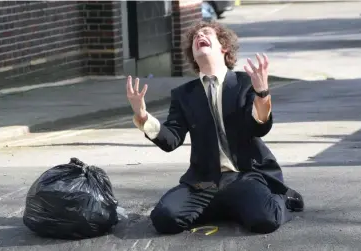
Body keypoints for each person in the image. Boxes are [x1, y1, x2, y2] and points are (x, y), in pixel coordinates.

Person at [126, 21, 304, 235]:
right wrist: (143, 117)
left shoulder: (245, 83)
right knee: (165, 218)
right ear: (193, 54)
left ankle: (281, 198)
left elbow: (259, 128)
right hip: (204, 182)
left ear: (224, 47)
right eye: (195, 37)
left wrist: (262, 94)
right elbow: (171, 140)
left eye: (206, 33)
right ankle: (232, 206)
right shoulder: (183, 94)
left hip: (245, 176)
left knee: (265, 220)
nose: (199, 35)